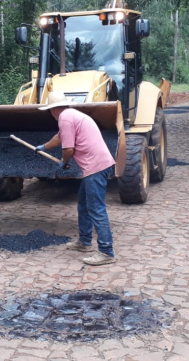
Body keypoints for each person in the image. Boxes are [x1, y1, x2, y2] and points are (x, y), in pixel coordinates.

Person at [36, 91, 117, 266]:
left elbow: (68, 149)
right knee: (83, 204)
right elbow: (59, 138)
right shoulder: (72, 115)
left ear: (52, 110)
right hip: (96, 165)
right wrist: (44, 146)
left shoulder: (64, 117)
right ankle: (84, 242)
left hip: (95, 167)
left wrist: (64, 162)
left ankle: (106, 251)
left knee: (96, 209)